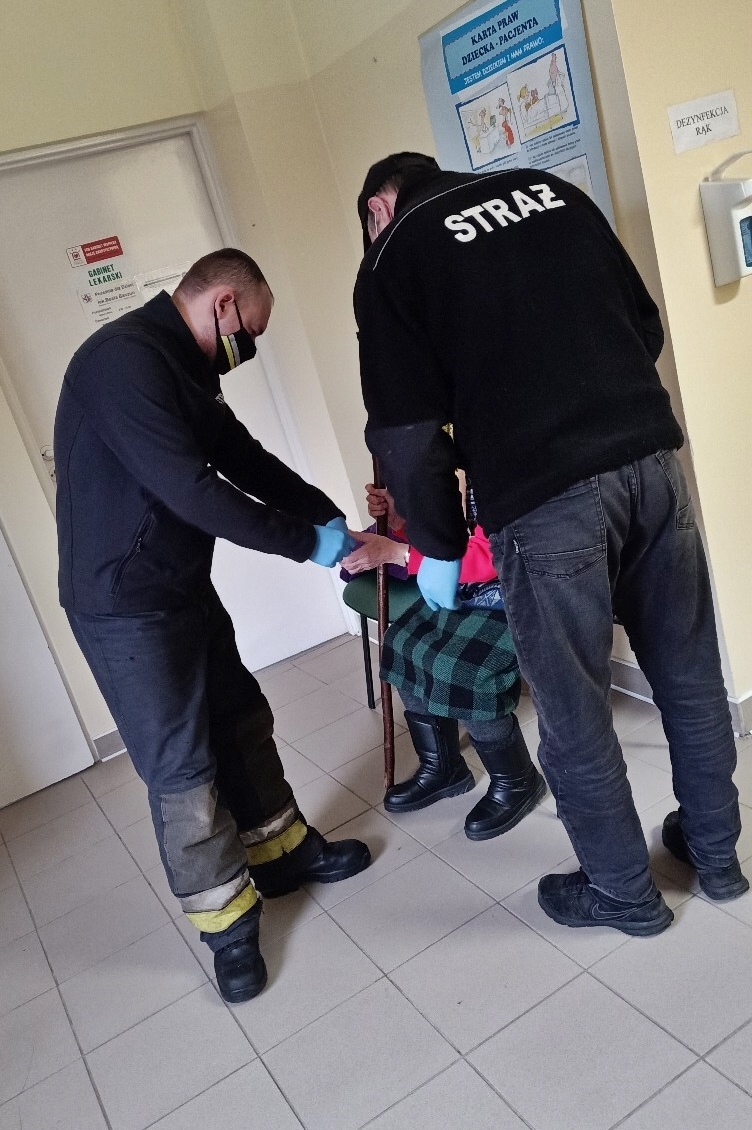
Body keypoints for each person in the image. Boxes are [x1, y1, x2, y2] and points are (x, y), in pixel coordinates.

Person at [353, 152, 748, 937]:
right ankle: (717, 856)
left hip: (542, 499)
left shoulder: (393, 256)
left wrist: (439, 545)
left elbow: (405, 437)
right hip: (650, 459)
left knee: (573, 709)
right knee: (689, 674)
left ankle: (624, 894)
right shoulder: (548, 190)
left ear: (377, 211)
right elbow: (644, 325)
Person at [54, 248, 370, 1004]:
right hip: (125, 605)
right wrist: (312, 546)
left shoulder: (182, 365)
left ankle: (282, 854)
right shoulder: (121, 362)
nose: (248, 345)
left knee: (239, 720)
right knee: (183, 771)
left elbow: (242, 459)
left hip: (180, 585)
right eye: (250, 330)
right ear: (224, 304)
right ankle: (228, 926)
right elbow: (195, 492)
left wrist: (329, 517)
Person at [341, 482, 545, 838]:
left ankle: (517, 782)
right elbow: (458, 542)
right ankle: (443, 768)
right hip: (475, 589)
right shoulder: (475, 474)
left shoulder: (514, 473)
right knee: (402, 643)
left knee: (464, 670)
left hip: (523, 591)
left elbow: (493, 554)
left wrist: (400, 554)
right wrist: (401, 523)